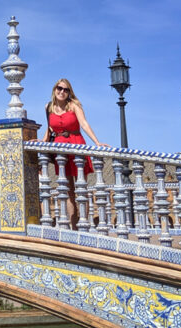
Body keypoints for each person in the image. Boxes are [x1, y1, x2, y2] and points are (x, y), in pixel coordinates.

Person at [36, 78, 110, 229]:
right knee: (68, 189)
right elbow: (50, 129)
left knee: (81, 187)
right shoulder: (48, 107)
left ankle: (84, 224)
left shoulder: (74, 105)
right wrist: (41, 141)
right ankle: (74, 226)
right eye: (59, 88)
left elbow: (84, 123)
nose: (62, 92)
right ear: (54, 89)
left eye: (66, 89)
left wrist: (96, 142)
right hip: (61, 151)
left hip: (76, 145)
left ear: (69, 92)